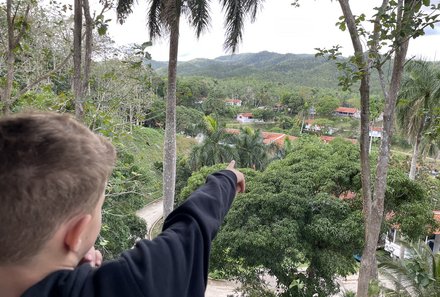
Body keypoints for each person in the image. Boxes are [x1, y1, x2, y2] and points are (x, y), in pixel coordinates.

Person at [0, 112, 245, 297]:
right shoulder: (125, 286)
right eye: (99, 207)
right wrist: (227, 178)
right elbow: (189, 232)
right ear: (76, 233)